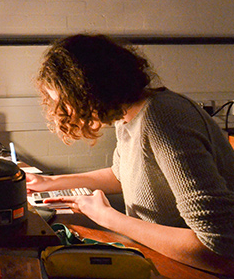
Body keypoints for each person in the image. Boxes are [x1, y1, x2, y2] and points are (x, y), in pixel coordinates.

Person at [27, 34, 234, 275]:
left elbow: (220, 246)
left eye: (65, 102)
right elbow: (122, 174)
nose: (64, 112)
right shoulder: (128, 116)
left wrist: (108, 217)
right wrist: (51, 182)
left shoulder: (162, 117)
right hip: (160, 259)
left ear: (89, 91)